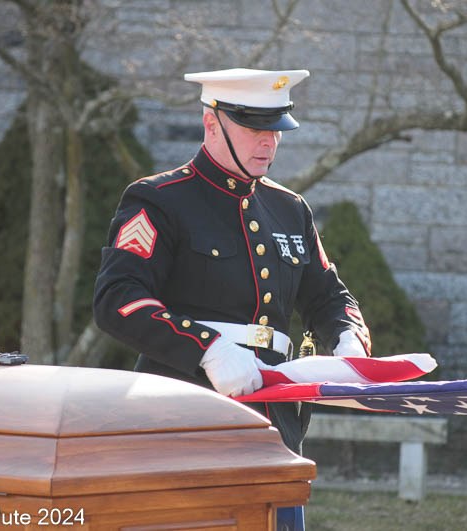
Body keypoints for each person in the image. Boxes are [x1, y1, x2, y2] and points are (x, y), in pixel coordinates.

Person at [93, 68, 371, 531]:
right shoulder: (159, 199)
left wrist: (348, 338)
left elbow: (328, 296)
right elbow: (117, 298)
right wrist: (208, 348)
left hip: (275, 425)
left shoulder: (290, 209)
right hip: (187, 415)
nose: (269, 142)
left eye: (275, 130)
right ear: (211, 123)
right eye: (253, 128)